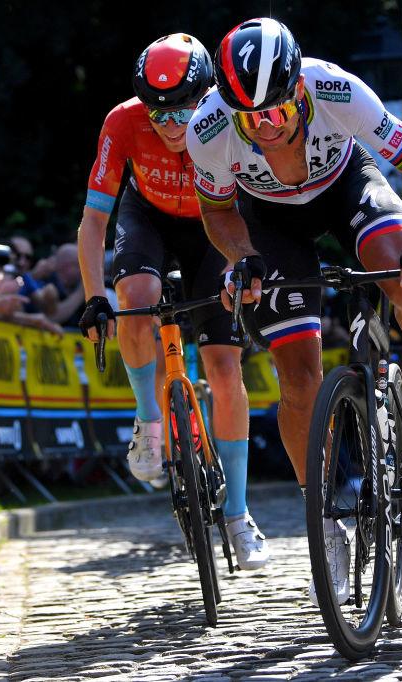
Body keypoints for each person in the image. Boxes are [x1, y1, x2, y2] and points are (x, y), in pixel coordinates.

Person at [186, 18, 402, 603]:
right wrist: (244, 258)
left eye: (277, 113)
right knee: (300, 379)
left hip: (346, 189)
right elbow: (217, 214)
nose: (266, 128)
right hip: (270, 223)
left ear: (299, 93)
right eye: (250, 120)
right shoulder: (207, 128)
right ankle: (324, 523)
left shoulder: (336, 89)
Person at [76, 34, 269, 570]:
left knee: (225, 368)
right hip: (151, 220)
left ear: (206, 93)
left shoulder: (231, 117)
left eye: (181, 111)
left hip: (215, 225)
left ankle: (236, 514)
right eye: (157, 113)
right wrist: (95, 296)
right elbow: (94, 220)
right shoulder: (123, 122)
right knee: (136, 297)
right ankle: (147, 420)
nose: (169, 126)